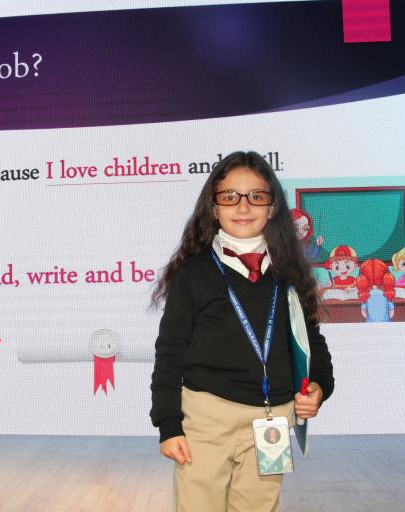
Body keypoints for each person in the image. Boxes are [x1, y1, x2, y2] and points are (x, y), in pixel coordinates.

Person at [150, 151, 334, 512]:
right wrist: (169, 425)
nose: (243, 206)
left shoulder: (290, 273)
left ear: (272, 208)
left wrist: (320, 386)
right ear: (214, 206)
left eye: (257, 196)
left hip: (272, 419)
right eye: (230, 196)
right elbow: (169, 353)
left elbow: (311, 342)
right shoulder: (194, 274)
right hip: (207, 418)